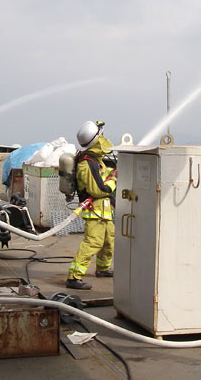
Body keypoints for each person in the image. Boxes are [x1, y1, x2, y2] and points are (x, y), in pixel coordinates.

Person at [66, 120, 117, 290]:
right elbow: (98, 189)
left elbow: (101, 176)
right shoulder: (87, 163)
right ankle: (74, 276)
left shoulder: (96, 160)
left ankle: (103, 268)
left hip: (104, 210)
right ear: (96, 140)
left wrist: (111, 172)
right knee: (93, 242)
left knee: (109, 240)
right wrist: (114, 181)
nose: (104, 138)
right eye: (101, 136)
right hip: (94, 210)